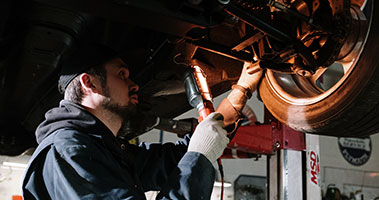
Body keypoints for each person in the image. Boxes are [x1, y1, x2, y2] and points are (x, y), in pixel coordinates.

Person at [22, 43, 263, 199]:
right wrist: (200, 156)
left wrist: (241, 90)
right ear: (89, 83)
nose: (134, 84)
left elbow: (179, 158)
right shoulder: (67, 151)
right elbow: (196, 155)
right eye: (122, 74)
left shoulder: (103, 149)